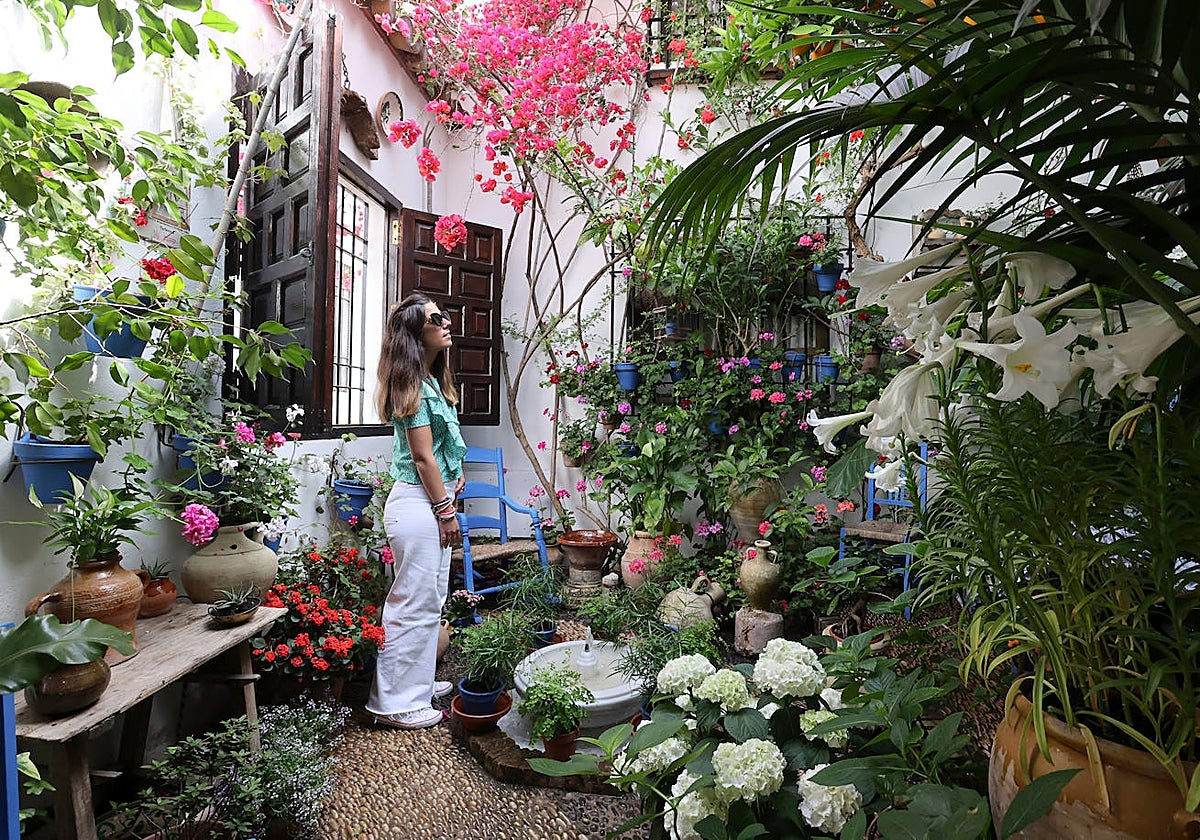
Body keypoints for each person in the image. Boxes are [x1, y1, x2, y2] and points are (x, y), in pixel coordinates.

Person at [366, 294, 466, 729]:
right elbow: (423, 458)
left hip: (430, 505)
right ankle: (393, 703)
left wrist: (448, 493)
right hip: (419, 505)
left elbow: (438, 460)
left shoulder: (430, 383)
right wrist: (446, 509)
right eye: (436, 319)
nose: (447, 323)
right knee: (411, 603)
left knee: (430, 600)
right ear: (415, 333)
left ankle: (418, 684)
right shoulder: (412, 386)